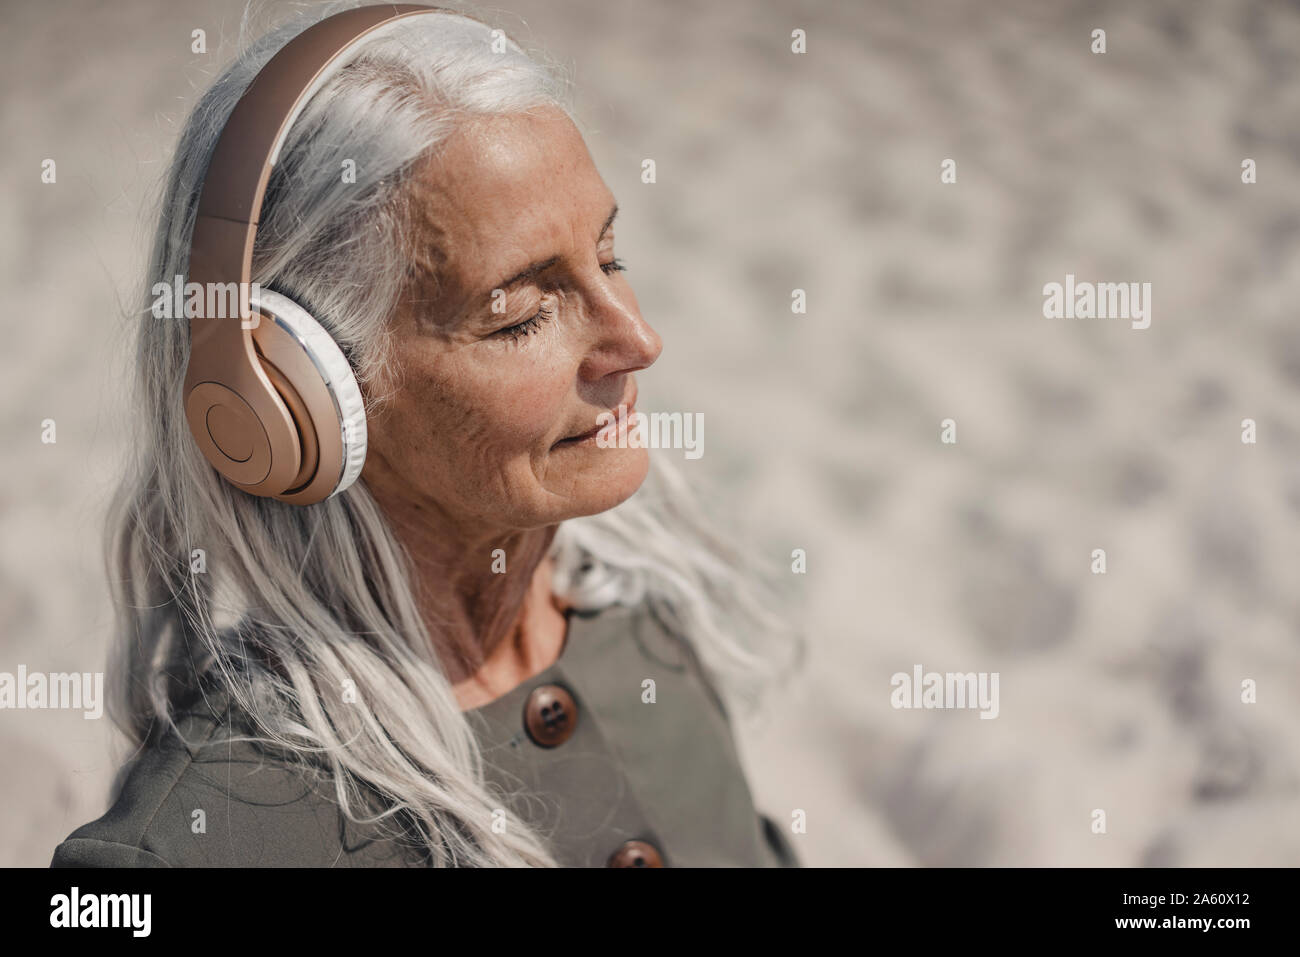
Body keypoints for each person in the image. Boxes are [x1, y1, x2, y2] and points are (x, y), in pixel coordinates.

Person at [50, 1, 802, 868]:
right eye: (520, 313)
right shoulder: (203, 843)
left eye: (610, 257)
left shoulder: (646, 617)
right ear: (290, 398)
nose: (637, 340)